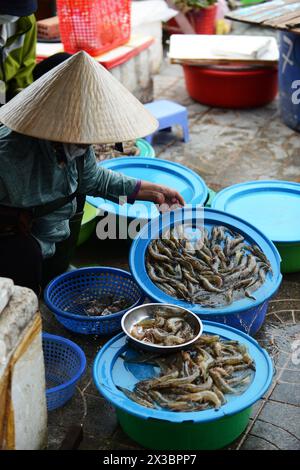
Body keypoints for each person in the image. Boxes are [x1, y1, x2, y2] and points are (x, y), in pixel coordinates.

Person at [0, 52, 184, 295]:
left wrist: (154, 191)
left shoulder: (78, 144)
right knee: (23, 283)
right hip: (15, 241)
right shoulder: (8, 153)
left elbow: (94, 179)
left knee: (76, 199)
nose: (86, 143)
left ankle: (54, 270)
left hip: (53, 229)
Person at [0, 0, 70, 104]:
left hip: (10, 89)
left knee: (65, 61)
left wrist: (22, 99)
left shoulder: (25, 21)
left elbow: (26, 67)